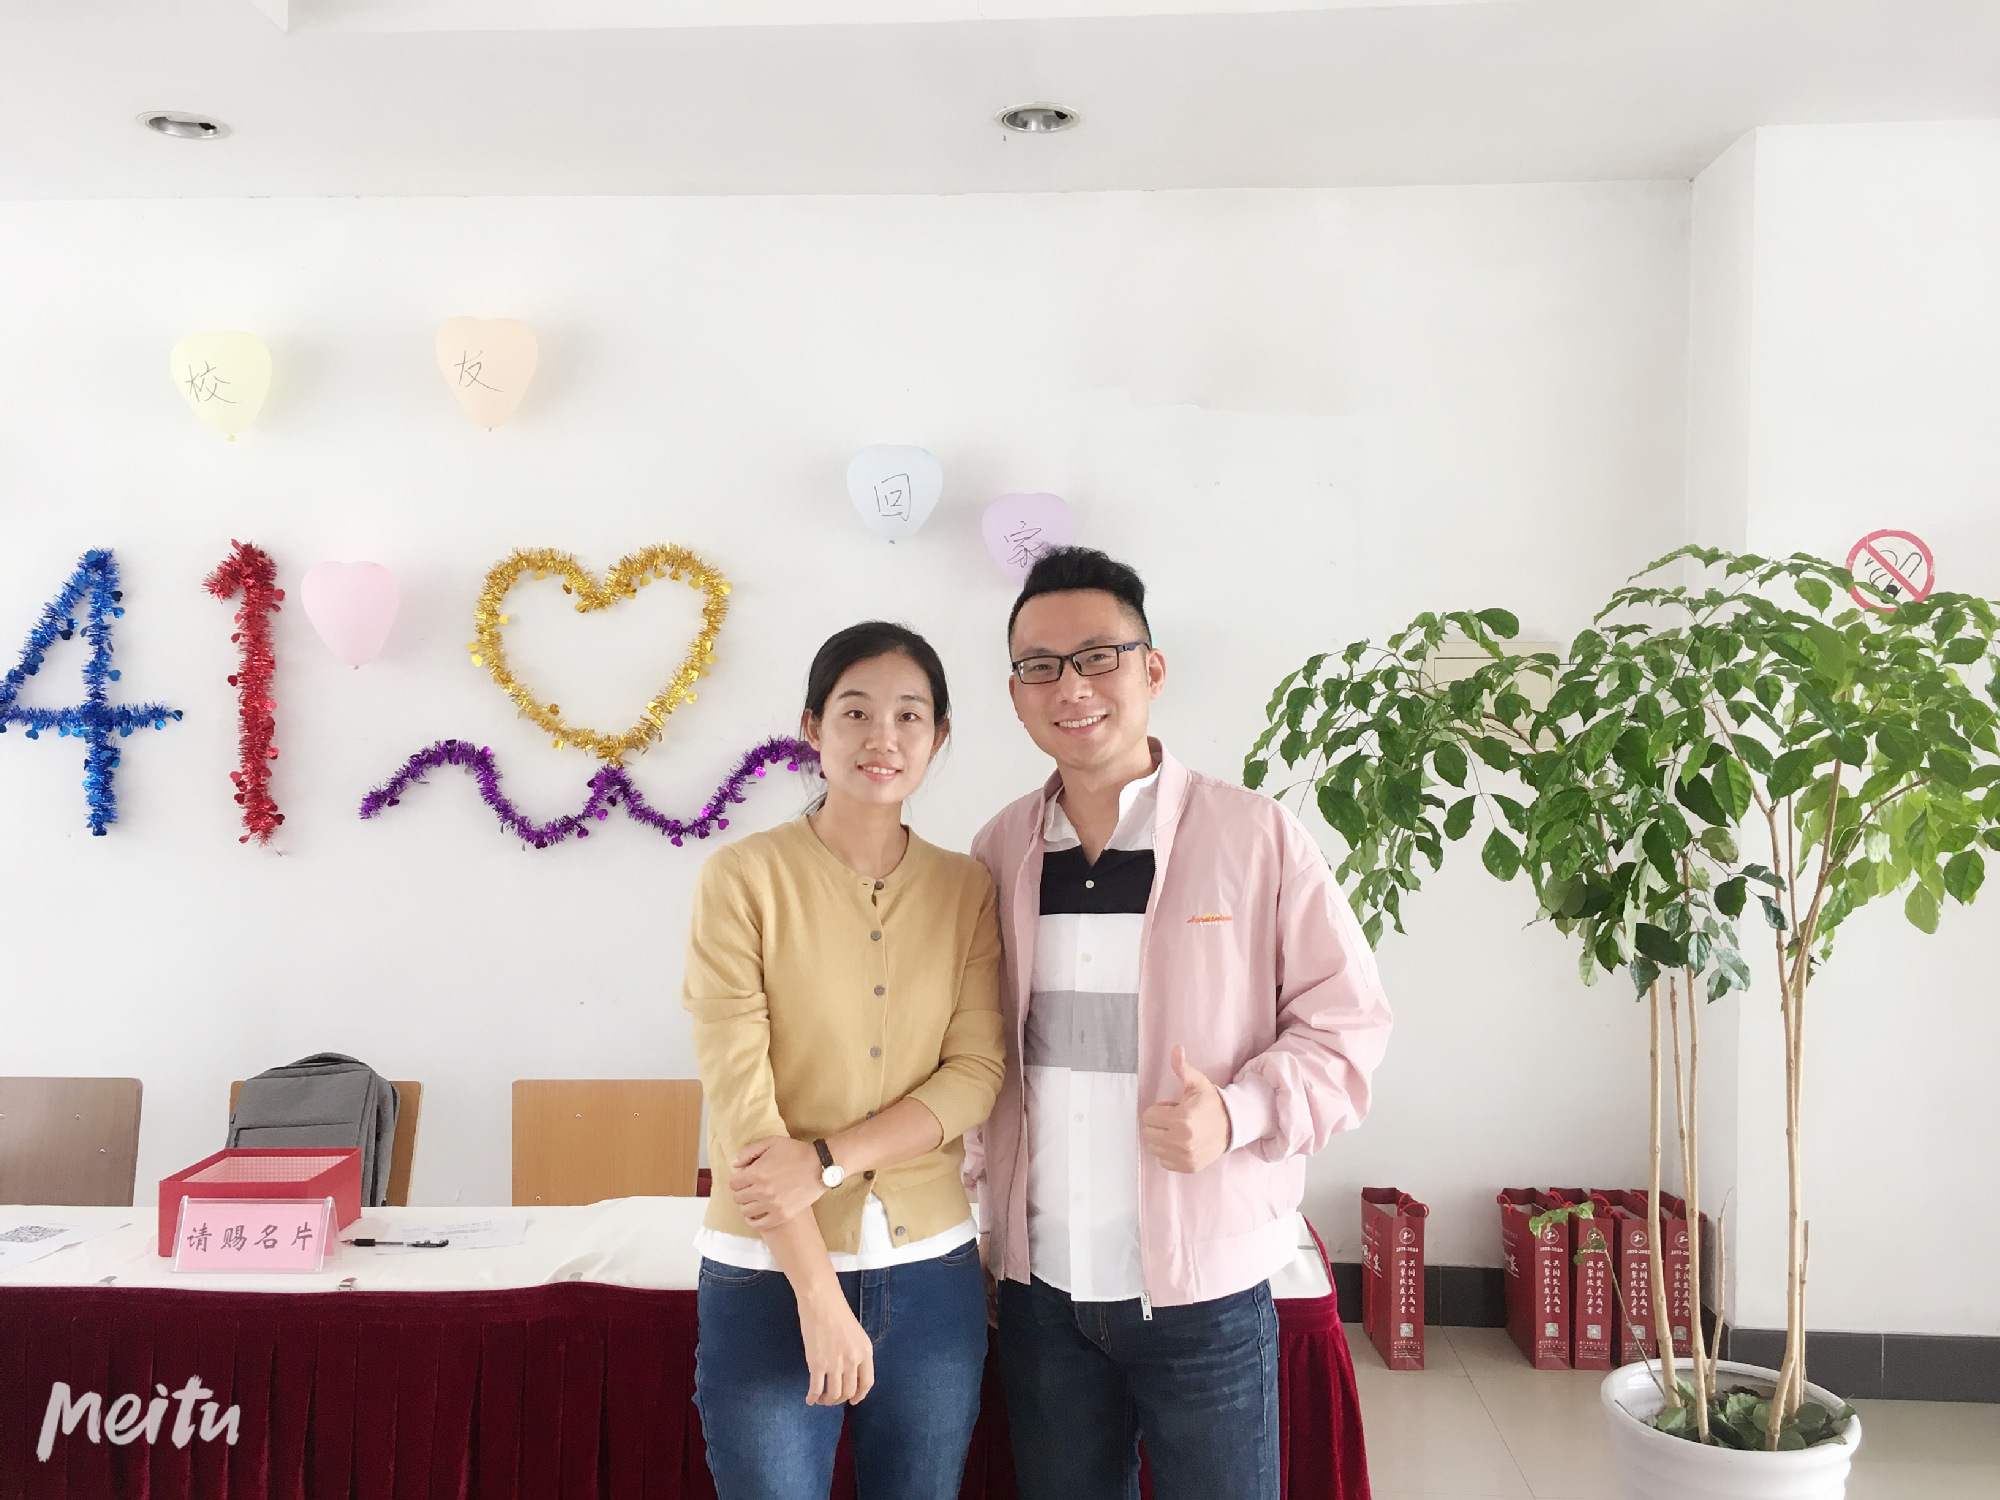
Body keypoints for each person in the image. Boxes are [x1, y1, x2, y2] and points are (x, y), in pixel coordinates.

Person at [965, 547, 1394, 1500]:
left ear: (1152, 670)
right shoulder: (998, 852)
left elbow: (1348, 1025)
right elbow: (979, 1053)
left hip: (1203, 1293)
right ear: (1016, 694)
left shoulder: (1253, 836)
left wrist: (1237, 1114)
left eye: (1099, 657)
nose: (1072, 686)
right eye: (1041, 666)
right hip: (1042, 1296)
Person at [684, 621, 1006, 1500]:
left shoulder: (965, 888)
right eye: (856, 712)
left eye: (910, 716)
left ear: (939, 736)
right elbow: (744, 1112)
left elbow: (974, 1075)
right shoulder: (742, 879)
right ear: (812, 728)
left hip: (932, 1273)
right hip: (768, 1277)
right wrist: (818, 1298)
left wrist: (828, 1159)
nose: (882, 737)